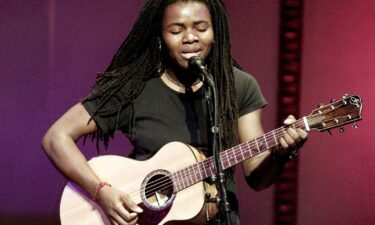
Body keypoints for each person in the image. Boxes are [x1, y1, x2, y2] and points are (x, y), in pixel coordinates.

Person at [42, 0, 308, 224]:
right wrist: (101, 192)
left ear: (215, 33)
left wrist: (281, 154)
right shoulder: (134, 87)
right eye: (176, 30)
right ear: (160, 37)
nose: (190, 37)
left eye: (201, 28)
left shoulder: (239, 86)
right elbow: (56, 137)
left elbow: (257, 177)